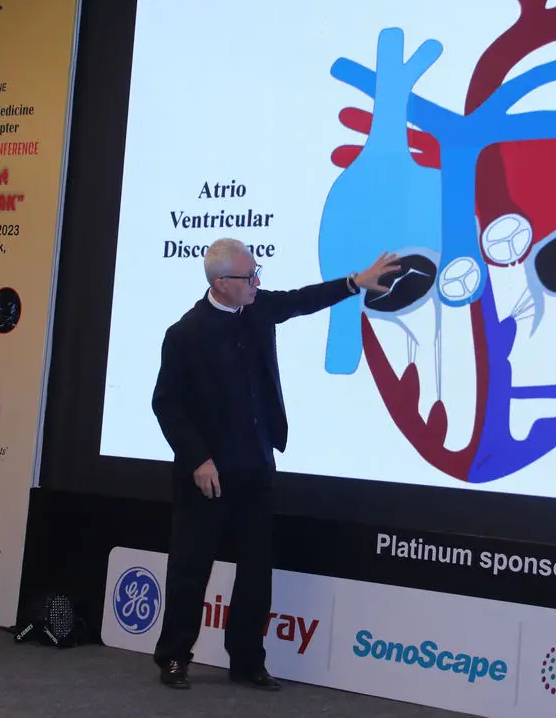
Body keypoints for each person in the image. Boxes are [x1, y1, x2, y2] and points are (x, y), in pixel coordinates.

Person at [150, 237, 398, 691]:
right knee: (191, 567)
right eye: (249, 277)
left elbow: (302, 300)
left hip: (255, 467)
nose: (257, 282)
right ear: (220, 283)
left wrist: (355, 282)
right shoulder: (185, 333)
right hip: (206, 475)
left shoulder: (259, 308)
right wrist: (198, 458)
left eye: (257, 272)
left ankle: (247, 661)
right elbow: (167, 405)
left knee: (256, 570)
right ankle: (174, 656)